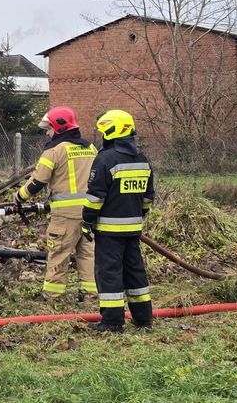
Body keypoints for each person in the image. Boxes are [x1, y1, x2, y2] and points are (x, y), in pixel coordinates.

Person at [82, 109, 155, 333]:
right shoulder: (142, 160)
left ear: (111, 132)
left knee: (109, 274)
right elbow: (148, 197)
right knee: (135, 273)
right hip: (133, 230)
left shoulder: (105, 159)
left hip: (109, 231)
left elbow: (95, 198)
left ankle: (112, 322)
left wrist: (87, 221)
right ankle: (143, 318)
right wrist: (137, 215)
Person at [15, 106, 98, 300]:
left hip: (65, 215)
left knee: (59, 253)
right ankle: (90, 295)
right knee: (87, 254)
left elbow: (37, 182)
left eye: (49, 128)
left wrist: (19, 197)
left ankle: (52, 297)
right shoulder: (91, 148)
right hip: (90, 213)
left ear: (60, 128)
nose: (47, 132)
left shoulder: (54, 151)